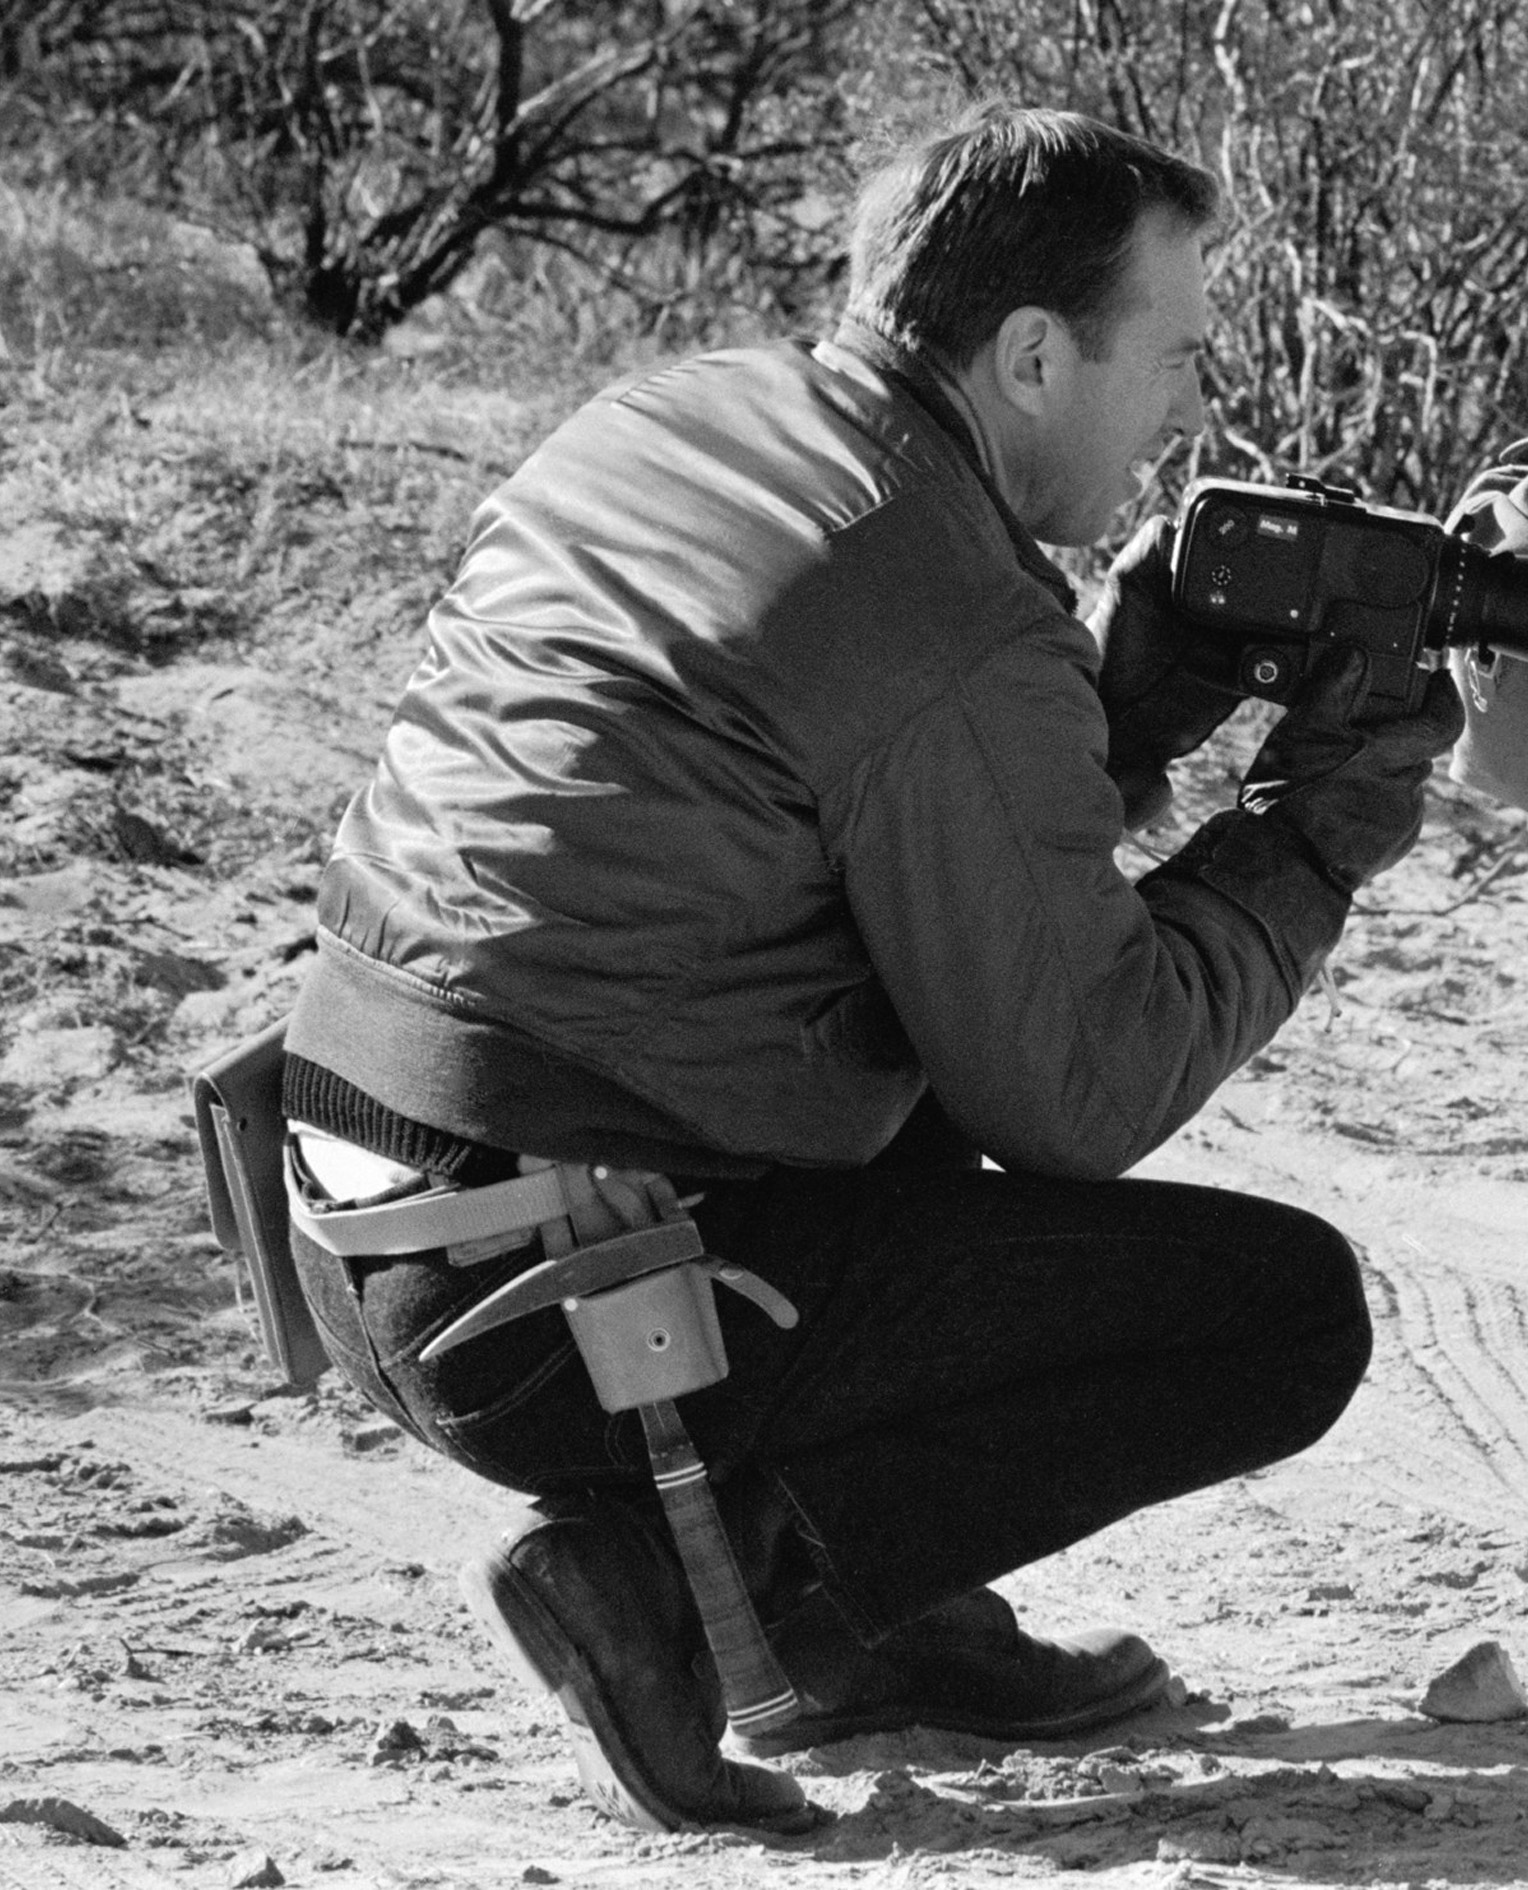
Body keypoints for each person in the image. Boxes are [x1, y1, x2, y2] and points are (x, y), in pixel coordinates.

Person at [277, 103, 1460, 1832]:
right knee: (1282, 1316)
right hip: (559, 1299)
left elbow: (865, 818)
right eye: (1179, 356)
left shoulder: (678, 417)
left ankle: (882, 1622)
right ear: (1036, 354)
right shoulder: (942, 607)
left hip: (365, 1205)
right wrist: (1316, 820)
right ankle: (701, 1594)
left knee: (923, 1032)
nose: (1192, 412)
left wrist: (1123, 705)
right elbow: (1087, 1082)